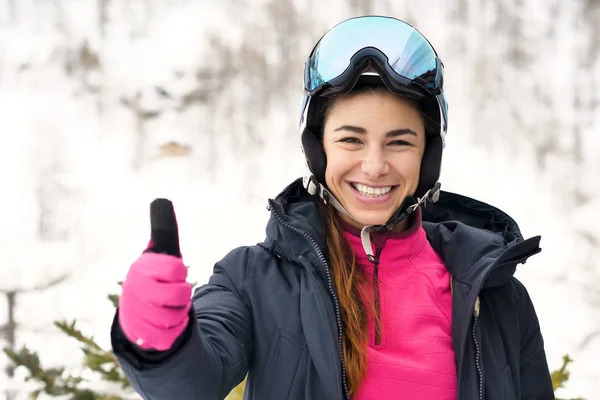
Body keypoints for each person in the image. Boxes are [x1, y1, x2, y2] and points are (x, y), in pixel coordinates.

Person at [111, 15, 554, 400]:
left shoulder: (493, 293)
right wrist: (158, 341)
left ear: (427, 155)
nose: (375, 165)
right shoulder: (255, 279)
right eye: (351, 140)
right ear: (318, 150)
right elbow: (192, 384)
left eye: (400, 141)